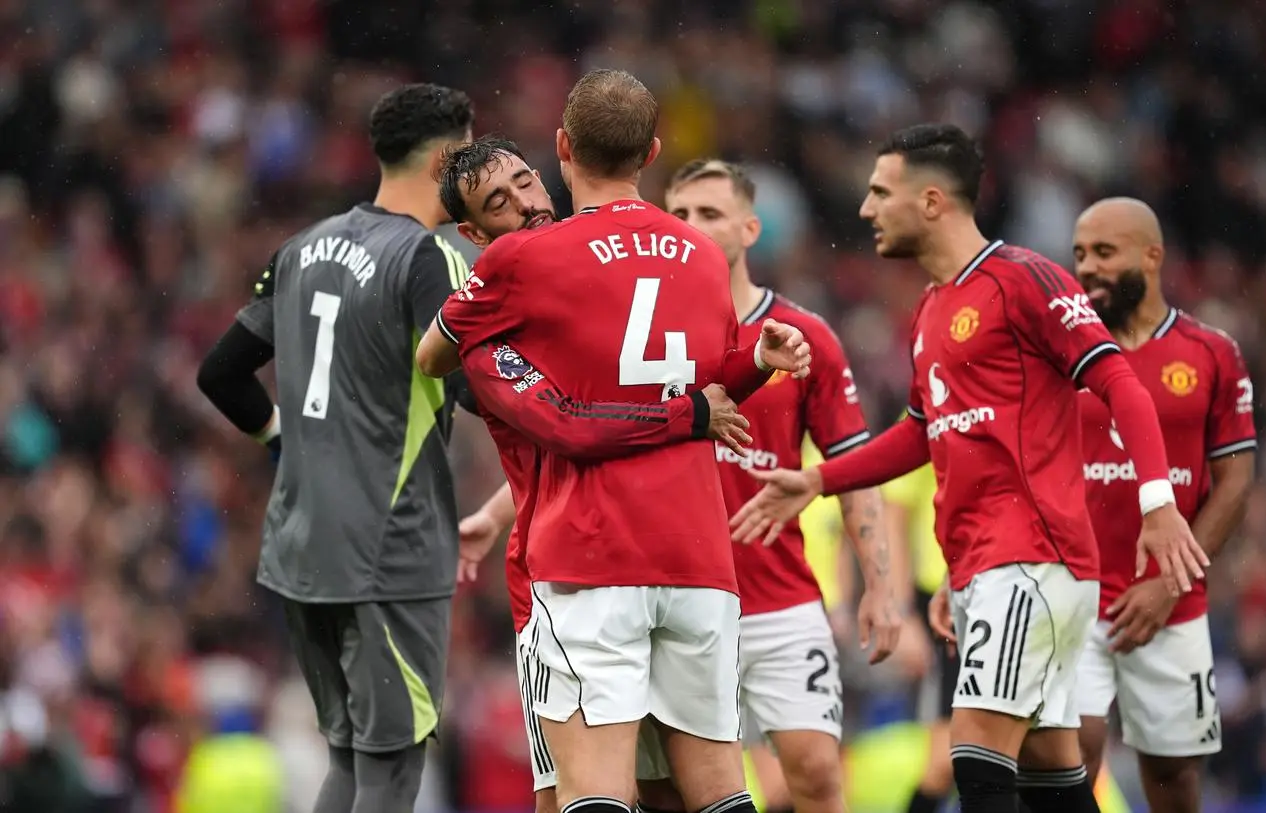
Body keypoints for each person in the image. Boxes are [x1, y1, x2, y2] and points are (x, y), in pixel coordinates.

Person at [728, 123, 1209, 813]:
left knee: (974, 754)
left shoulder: (1021, 279)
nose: (865, 209)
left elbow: (1119, 383)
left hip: (1032, 559)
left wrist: (1156, 505)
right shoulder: (930, 308)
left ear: (930, 202)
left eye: (880, 193)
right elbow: (920, 433)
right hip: (987, 567)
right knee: (1048, 769)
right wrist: (818, 480)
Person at [417, 69, 810, 813]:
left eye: (524, 182)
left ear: (561, 150)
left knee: (587, 792)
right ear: (654, 151)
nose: (524, 202)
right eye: (499, 202)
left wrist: (723, 387)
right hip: (695, 558)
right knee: (709, 791)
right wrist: (746, 369)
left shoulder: (519, 270)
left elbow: (480, 378)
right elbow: (696, 389)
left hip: (587, 559)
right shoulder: (701, 255)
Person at [195, 83, 477, 813]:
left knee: (349, 760)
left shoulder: (303, 247)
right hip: (389, 550)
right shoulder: (426, 257)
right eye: (468, 158)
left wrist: (280, 439)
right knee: (392, 769)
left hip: (302, 544)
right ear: (443, 161)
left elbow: (221, 372)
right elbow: (480, 388)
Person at [664, 158, 901, 813]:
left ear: (750, 229)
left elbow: (856, 469)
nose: (692, 226)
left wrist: (881, 587)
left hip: (778, 595)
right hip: (675, 597)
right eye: (679, 214)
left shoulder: (803, 337)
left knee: (817, 773)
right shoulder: (649, 335)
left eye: (710, 213)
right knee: (685, 789)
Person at [1071, 198, 1256, 812]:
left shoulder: (1212, 352)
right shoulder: (1060, 353)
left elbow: (1235, 481)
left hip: (1172, 604)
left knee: (1173, 775)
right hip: (1073, 595)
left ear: (1152, 256)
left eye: (1105, 252)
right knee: (1072, 757)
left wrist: (1170, 584)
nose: (1088, 267)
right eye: (1079, 254)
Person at [879, 454, 957, 813]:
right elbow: (894, 515)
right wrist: (904, 613)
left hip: (1010, 595)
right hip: (943, 608)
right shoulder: (930, 421)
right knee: (945, 761)